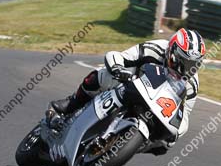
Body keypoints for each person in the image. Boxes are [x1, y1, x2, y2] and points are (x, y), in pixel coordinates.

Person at [49, 29, 206, 153]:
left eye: (193, 64)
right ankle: (72, 103)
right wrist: (118, 69)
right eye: (182, 61)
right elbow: (119, 56)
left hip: (155, 107)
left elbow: (185, 115)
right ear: (171, 51)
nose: (185, 68)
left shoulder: (191, 82)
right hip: (132, 83)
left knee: (164, 145)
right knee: (103, 75)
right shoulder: (154, 48)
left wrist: (176, 134)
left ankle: (124, 147)